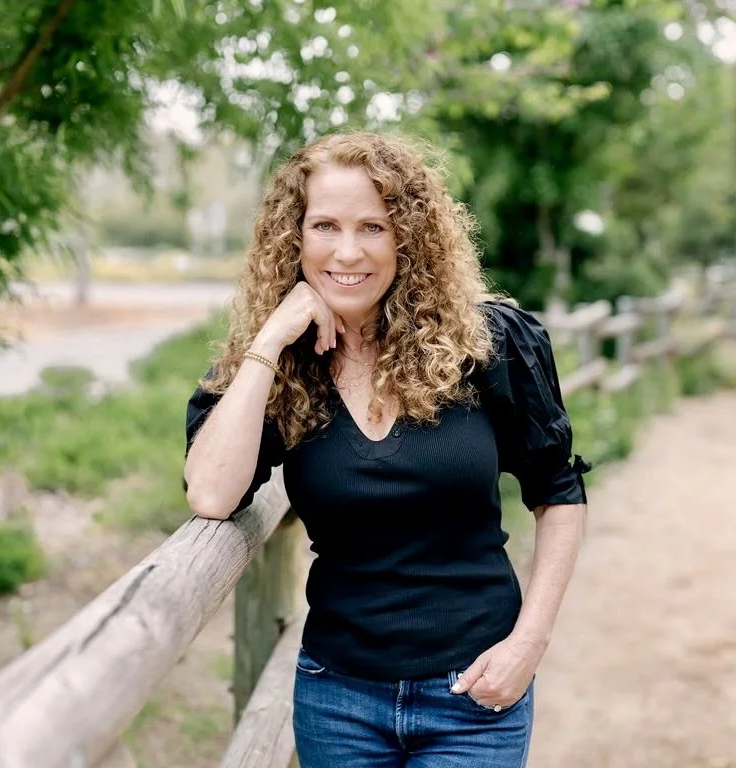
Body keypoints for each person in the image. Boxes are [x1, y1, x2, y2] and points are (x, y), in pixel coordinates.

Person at [183, 131, 590, 767]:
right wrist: (272, 336)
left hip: (474, 696)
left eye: (373, 226)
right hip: (338, 700)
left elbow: (558, 494)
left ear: (409, 237)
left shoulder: (487, 345)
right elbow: (210, 492)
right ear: (294, 236)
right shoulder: (282, 370)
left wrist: (529, 643)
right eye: (324, 225)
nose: (348, 251)